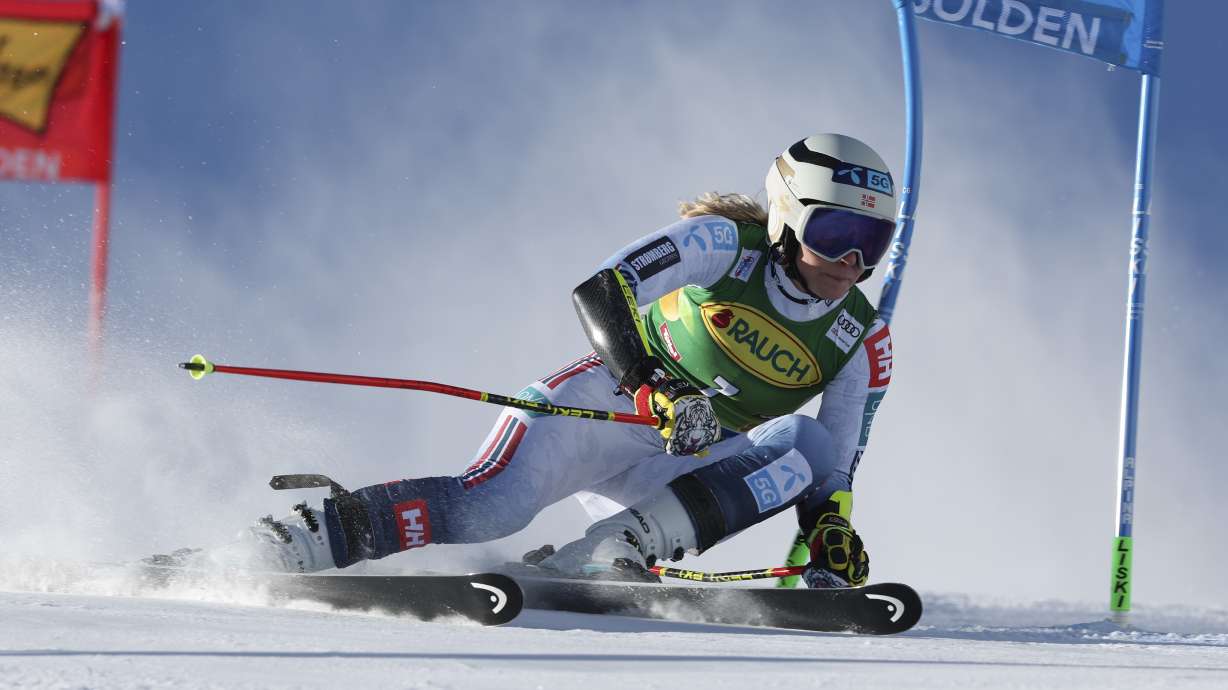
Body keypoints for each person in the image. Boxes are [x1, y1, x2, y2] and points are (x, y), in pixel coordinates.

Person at [239, 134, 896, 589]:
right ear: (786, 218)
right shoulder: (726, 243)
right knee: (490, 510)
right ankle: (305, 540)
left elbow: (833, 458)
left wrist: (829, 529)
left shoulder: (859, 338)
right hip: (606, 407)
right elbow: (604, 288)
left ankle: (614, 549)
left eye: (872, 244)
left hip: (686, 461)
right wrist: (656, 385)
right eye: (835, 235)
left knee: (801, 444)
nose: (851, 264)